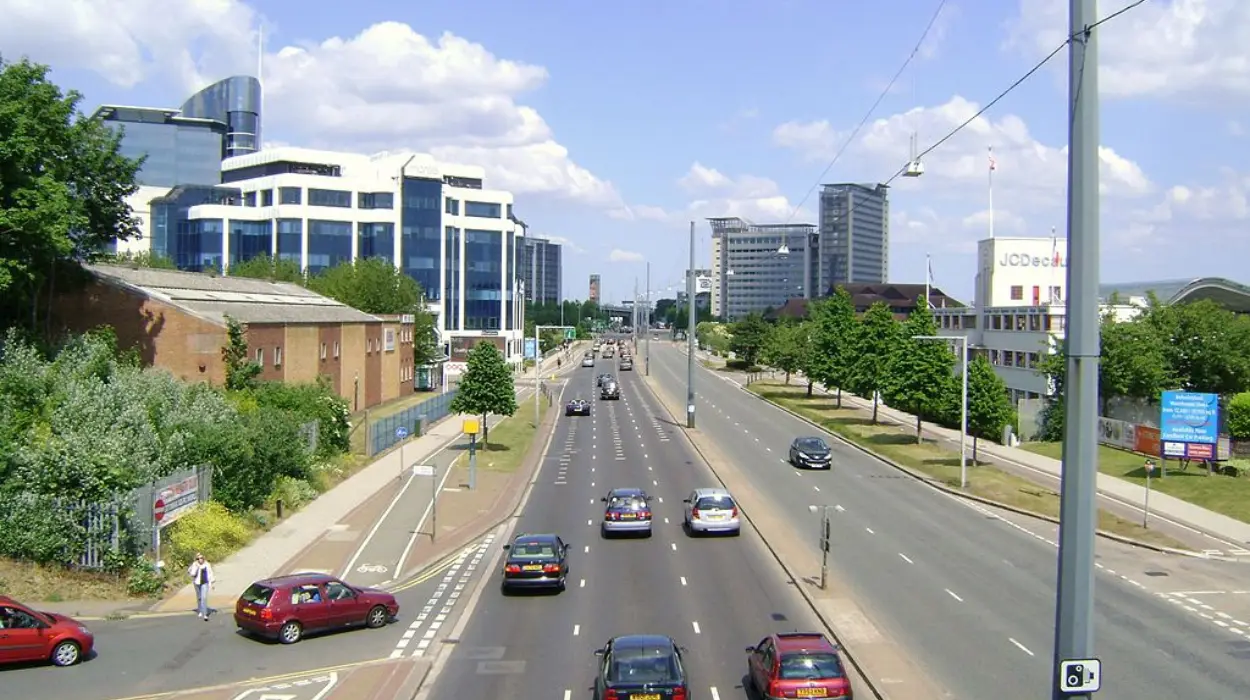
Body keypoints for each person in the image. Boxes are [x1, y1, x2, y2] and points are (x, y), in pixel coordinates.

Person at [188, 553, 215, 620]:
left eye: (201, 558)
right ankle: (200, 610)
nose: (200, 560)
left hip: (205, 583)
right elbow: (192, 573)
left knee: (204, 597)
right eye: (198, 558)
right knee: (199, 597)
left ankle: (205, 614)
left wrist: (212, 583)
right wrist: (196, 567)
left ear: (203, 558)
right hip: (197, 583)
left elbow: (210, 574)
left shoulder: (207, 565)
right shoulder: (195, 564)